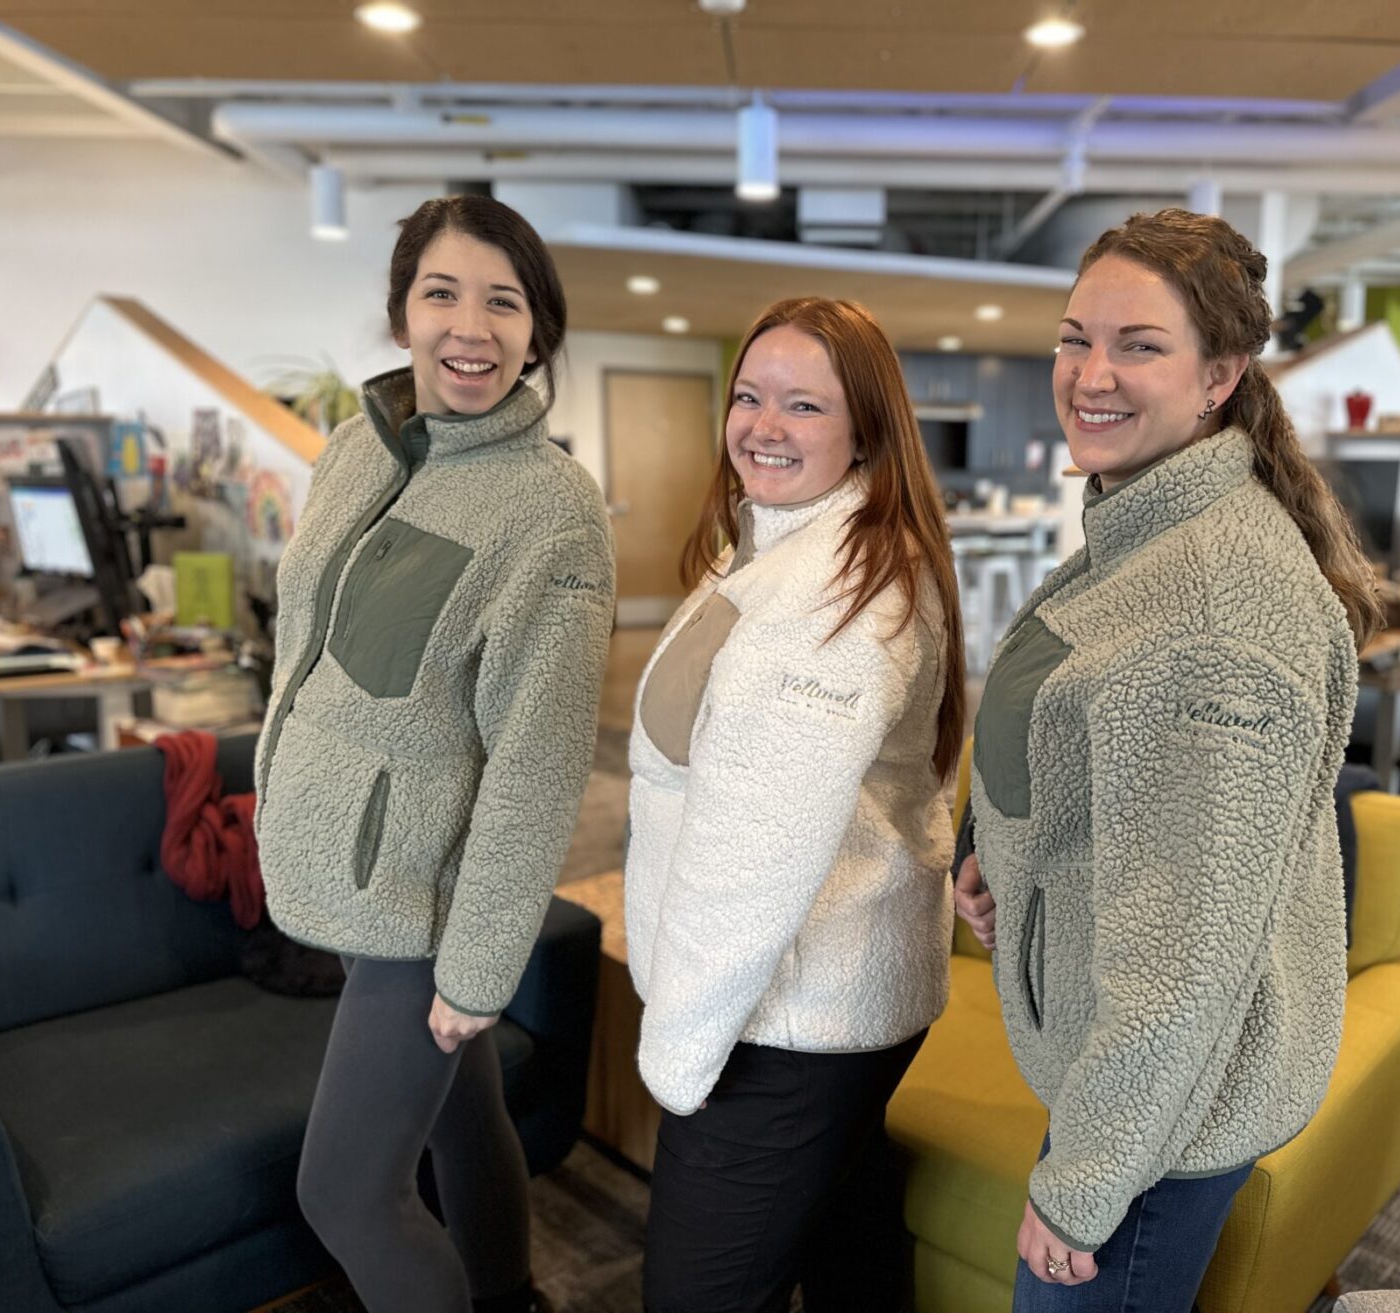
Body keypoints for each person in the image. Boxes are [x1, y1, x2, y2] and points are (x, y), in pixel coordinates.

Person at [952, 208, 1381, 1312]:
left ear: (1218, 376)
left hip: (1152, 1114)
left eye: (1138, 344)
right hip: (1130, 1073)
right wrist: (999, 852)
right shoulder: (1140, 529)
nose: (1090, 373)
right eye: (1073, 336)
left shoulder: (1210, 610)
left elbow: (1184, 958)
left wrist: (1083, 1185)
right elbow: (1090, 755)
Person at [256, 195, 614, 1313]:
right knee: (468, 1109)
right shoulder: (358, 447)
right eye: (443, 293)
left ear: (537, 329)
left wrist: (477, 967)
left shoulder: (552, 510)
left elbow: (537, 764)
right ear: (402, 312)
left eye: (504, 301)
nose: (472, 326)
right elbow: (300, 643)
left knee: (348, 1195)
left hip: (424, 890)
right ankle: (503, 1290)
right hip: (350, 866)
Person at [624, 297, 966, 1312]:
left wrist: (679, 1049)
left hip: (781, 1015)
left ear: (865, 428)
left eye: (803, 405)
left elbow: (753, 852)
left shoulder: (833, 595)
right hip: (829, 995)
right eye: (748, 396)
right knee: (846, 1247)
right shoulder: (791, 545)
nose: (762, 426)